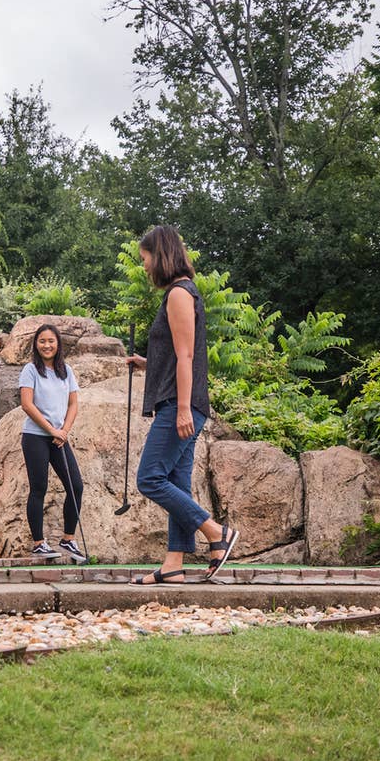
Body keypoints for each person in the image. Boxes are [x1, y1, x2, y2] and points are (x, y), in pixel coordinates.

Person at [127, 225, 240, 584]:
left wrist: (180, 409)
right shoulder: (181, 293)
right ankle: (173, 564)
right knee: (175, 481)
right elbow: (177, 354)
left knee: (150, 478)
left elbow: (187, 355)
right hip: (184, 401)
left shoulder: (178, 294)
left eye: (144, 260)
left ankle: (215, 532)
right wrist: (147, 363)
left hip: (181, 403)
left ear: (159, 256)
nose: (144, 268)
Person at [19, 323, 87, 564]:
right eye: (42, 341)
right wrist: (51, 430)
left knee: (76, 486)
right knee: (39, 488)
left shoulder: (66, 371)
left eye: (51, 341)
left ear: (58, 344)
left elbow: (73, 404)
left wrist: (64, 431)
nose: (46, 345)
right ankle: (39, 543)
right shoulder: (30, 370)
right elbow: (27, 404)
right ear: (36, 345)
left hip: (59, 437)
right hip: (36, 436)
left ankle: (68, 539)